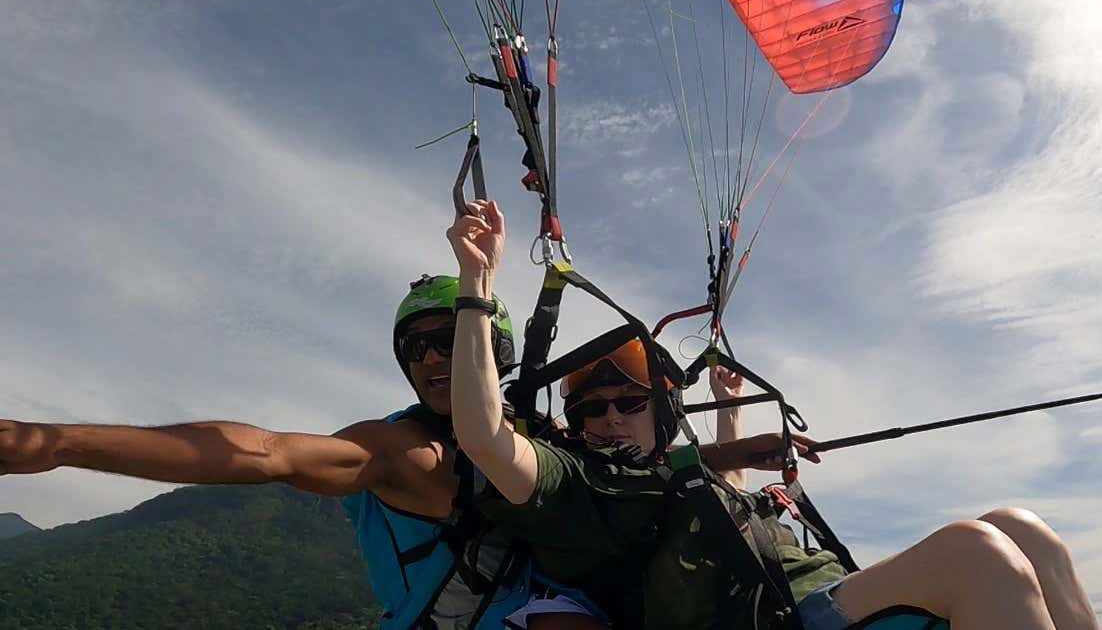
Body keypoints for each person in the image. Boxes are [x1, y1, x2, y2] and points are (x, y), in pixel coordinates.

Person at [445, 197, 1099, 630]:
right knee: (975, 552)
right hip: (771, 618)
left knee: (1023, 528)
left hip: (819, 593)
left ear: (660, 412)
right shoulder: (575, 484)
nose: (611, 415)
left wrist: (728, 402)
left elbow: (726, 498)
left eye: (630, 401)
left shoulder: (677, 480)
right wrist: (478, 286)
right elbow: (484, 435)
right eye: (592, 408)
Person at [0, 274, 531, 630]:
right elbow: (268, 453)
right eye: (415, 346)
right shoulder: (406, 452)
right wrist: (58, 443)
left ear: (495, 348)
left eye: (448, 340)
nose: (430, 359)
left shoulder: (541, 440)